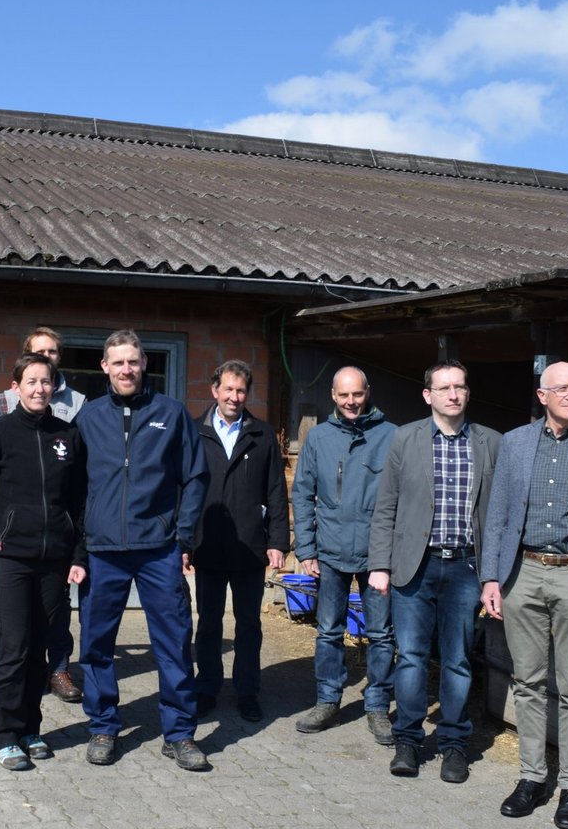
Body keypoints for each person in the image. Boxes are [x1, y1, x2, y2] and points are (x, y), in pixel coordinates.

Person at [480, 361, 568, 829]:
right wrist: (490, 578)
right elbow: (498, 514)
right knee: (527, 682)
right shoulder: (515, 443)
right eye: (562, 388)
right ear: (542, 396)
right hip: (521, 573)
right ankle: (531, 778)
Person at [74, 329, 211, 770]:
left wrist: (183, 535)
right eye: (118, 362)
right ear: (104, 367)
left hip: (158, 549)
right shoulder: (89, 417)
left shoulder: (171, 413)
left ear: (145, 363)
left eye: (133, 361)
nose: (126, 369)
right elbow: (73, 488)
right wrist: (78, 546)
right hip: (102, 549)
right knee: (96, 643)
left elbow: (196, 477)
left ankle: (180, 733)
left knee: (173, 642)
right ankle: (102, 726)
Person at [368, 360, 500, 782]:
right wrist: (380, 565)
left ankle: (454, 744)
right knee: (410, 657)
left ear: (468, 392)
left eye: (459, 387)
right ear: (428, 395)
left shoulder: (490, 442)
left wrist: (494, 573)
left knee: (458, 660)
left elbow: (498, 514)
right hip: (415, 564)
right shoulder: (405, 439)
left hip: (465, 566)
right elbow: (385, 505)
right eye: (444, 388)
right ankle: (408, 741)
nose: (453, 395)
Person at [0, 353, 88, 770]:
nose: (40, 389)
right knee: (13, 648)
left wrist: (77, 554)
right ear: (16, 387)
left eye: (46, 381)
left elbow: (79, 502)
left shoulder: (67, 435)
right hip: (10, 560)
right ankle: (4, 733)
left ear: (55, 387)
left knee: (39, 649)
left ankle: (31, 728)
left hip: (54, 561)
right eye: (31, 381)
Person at [290, 366, 397, 742]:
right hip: (330, 550)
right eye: (344, 395)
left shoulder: (391, 436)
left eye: (357, 394)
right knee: (328, 632)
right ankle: (327, 700)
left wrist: (393, 553)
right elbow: (302, 494)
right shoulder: (319, 438)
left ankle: (378, 706)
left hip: (377, 552)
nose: (351, 402)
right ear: (333, 396)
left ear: (368, 392)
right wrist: (306, 548)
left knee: (381, 634)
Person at [0, 325, 87, 703]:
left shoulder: (79, 407)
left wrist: (77, 548)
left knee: (54, 621)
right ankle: (10, 698)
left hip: (54, 544)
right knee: (13, 635)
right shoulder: (2, 410)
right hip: (13, 543)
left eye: (53, 353)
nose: (46, 360)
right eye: (40, 353)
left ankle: (57, 672)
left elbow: (78, 487)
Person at [191, 360, 289, 723]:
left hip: (249, 546)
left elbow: (276, 490)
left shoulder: (262, 435)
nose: (234, 397)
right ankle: (207, 688)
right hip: (208, 544)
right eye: (228, 389)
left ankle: (247, 691)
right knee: (209, 622)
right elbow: (183, 488)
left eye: (241, 390)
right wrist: (184, 542)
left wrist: (277, 540)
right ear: (215, 390)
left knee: (249, 623)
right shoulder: (195, 432)